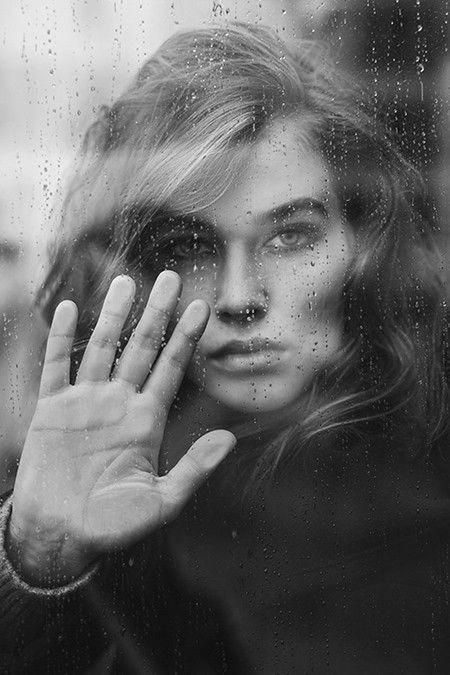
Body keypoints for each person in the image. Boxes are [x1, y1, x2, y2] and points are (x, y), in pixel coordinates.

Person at [0, 22, 449, 674]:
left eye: (290, 235)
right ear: (139, 266)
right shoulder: (96, 473)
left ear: (363, 240)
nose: (240, 296)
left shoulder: (430, 469)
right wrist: (38, 557)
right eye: (189, 247)